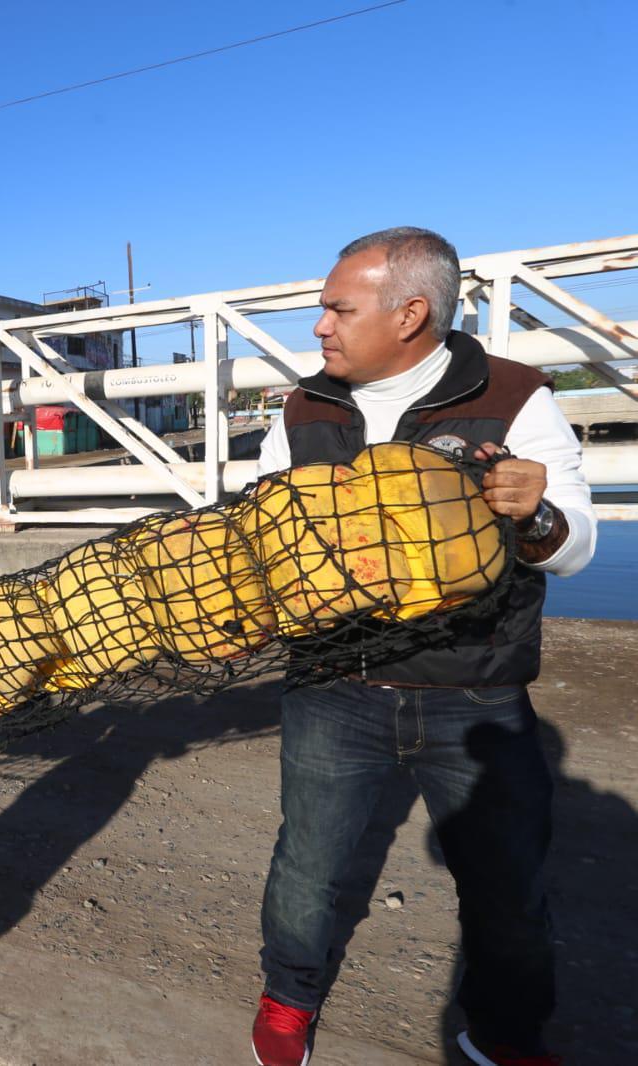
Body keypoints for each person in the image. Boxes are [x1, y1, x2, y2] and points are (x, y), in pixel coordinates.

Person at [249, 228, 597, 1066]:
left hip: (474, 694)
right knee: (307, 869)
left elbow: (578, 542)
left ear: (409, 313)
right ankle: (287, 996)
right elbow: (255, 539)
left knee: (505, 891)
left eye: (336, 308)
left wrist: (537, 514)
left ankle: (505, 1033)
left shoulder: (514, 398)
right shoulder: (300, 408)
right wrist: (246, 613)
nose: (319, 328)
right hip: (332, 685)